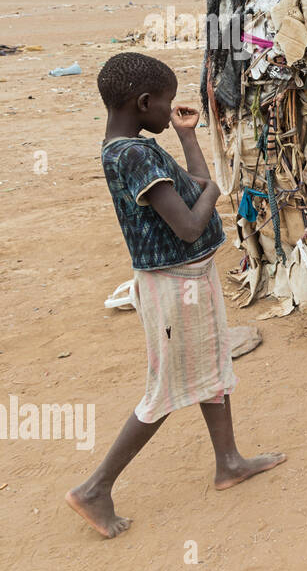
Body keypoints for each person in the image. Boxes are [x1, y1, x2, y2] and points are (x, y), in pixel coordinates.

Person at [67, 52, 285, 540]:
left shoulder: (129, 147)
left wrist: (188, 139)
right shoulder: (136, 155)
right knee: (165, 390)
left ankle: (228, 462)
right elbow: (189, 225)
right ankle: (95, 488)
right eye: (166, 104)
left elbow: (192, 188)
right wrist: (216, 191)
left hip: (189, 279)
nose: (171, 111)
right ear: (143, 102)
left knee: (212, 370)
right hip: (175, 286)